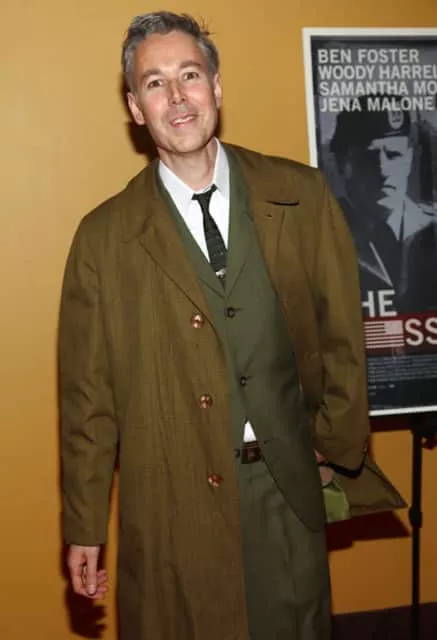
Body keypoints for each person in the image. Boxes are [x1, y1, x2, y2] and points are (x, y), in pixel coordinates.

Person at [60, 12, 404, 640]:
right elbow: (88, 400)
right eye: (155, 83)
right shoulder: (102, 240)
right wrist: (84, 524)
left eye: (189, 75)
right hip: (168, 508)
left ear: (216, 87)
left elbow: (342, 340)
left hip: (284, 492)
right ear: (136, 108)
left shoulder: (301, 196)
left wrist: (331, 447)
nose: (177, 97)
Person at [330, 96, 437, 314]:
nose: (384, 170)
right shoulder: (325, 236)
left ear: (410, 157)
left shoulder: (431, 227)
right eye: (370, 157)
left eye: (394, 155)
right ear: (343, 164)